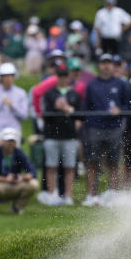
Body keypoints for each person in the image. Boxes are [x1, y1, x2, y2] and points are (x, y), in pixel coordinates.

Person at [82, 53, 128, 206]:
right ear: (99, 65)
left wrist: (120, 110)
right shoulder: (92, 85)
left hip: (114, 127)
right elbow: (86, 107)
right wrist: (89, 123)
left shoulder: (120, 84)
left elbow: (127, 105)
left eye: (109, 63)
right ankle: (91, 195)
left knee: (113, 162)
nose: (106, 65)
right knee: (92, 162)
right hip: (94, 128)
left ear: (112, 66)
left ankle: (112, 194)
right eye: (103, 63)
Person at [39, 60, 82, 206]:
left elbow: (80, 115)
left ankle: (68, 196)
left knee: (69, 167)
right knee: (51, 166)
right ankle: (52, 194)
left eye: (65, 75)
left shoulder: (74, 94)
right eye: (60, 75)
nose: (63, 78)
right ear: (57, 76)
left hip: (69, 135)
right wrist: (55, 108)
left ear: (68, 76)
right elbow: (44, 115)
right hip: (52, 135)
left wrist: (67, 109)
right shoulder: (49, 94)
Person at [0, 126, 38, 214]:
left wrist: (22, 178)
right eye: (8, 141)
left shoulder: (19, 153)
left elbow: (33, 171)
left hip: (16, 184)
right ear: (2, 141)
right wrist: (5, 179)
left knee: (34, 184)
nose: (10, 143)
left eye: (13, 141)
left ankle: (17, 207)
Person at [0, 62, 28, 142]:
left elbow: (24, 116)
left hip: (14, 132)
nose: (8, 78)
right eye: (5, 76)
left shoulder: (21, 93)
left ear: (14, 77)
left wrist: (13, 105)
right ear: (0, 77)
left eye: (10, 75)